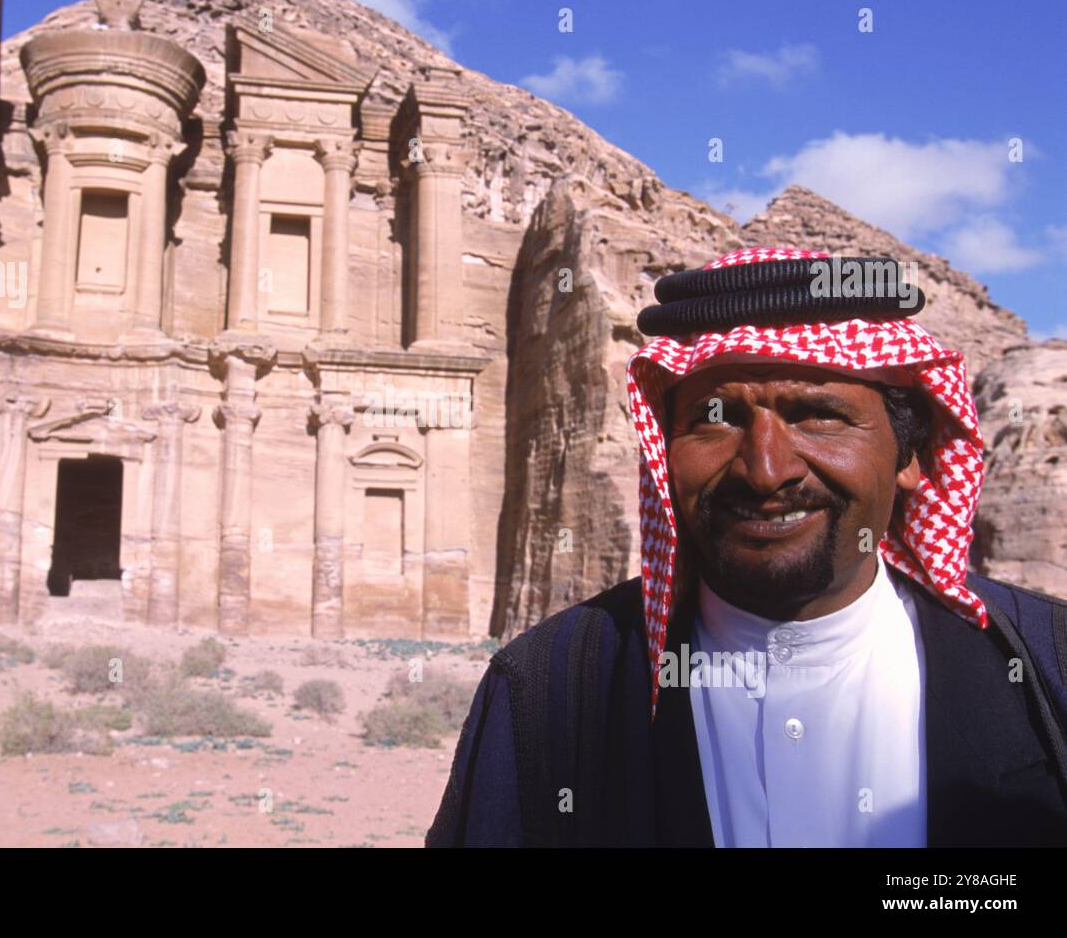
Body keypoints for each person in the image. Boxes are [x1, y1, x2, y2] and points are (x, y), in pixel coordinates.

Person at [426, 247, 1067, 847]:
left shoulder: (1045, 664)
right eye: (715, 418)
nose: (765, 471)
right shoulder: (550, 687)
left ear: (912, 455)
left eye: (818, 415)